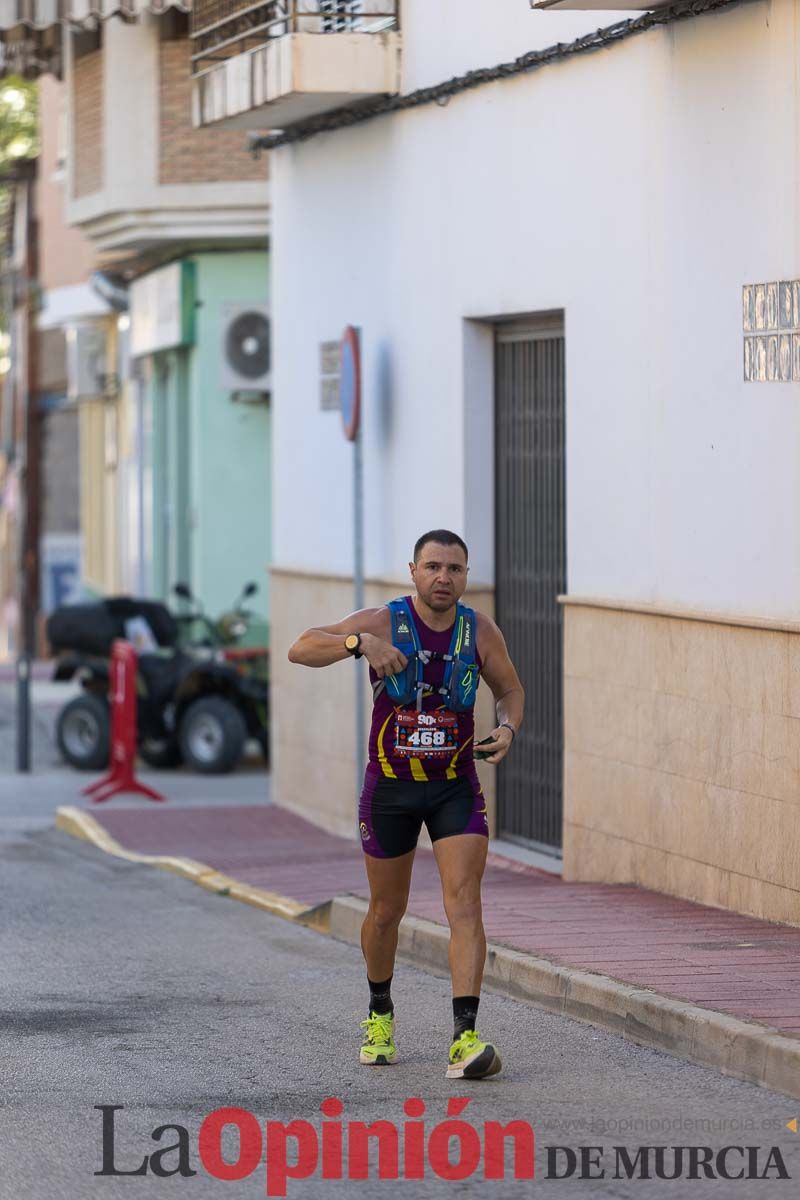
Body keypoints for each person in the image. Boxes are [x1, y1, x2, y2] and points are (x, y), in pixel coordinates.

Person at [288, 530, 525, 1079]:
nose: (444, 577)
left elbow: (511, 689)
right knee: (385, 912)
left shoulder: (479, 631)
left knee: (464, 903)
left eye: (456, 569)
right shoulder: (381, 622)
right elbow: (301, 648)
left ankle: (464, 1037)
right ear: (413, 571)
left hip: (454, 787)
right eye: (434, 566)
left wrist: (509, 726)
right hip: (390, 789)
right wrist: (357, 645)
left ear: (466, 577)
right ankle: (379, 1010)